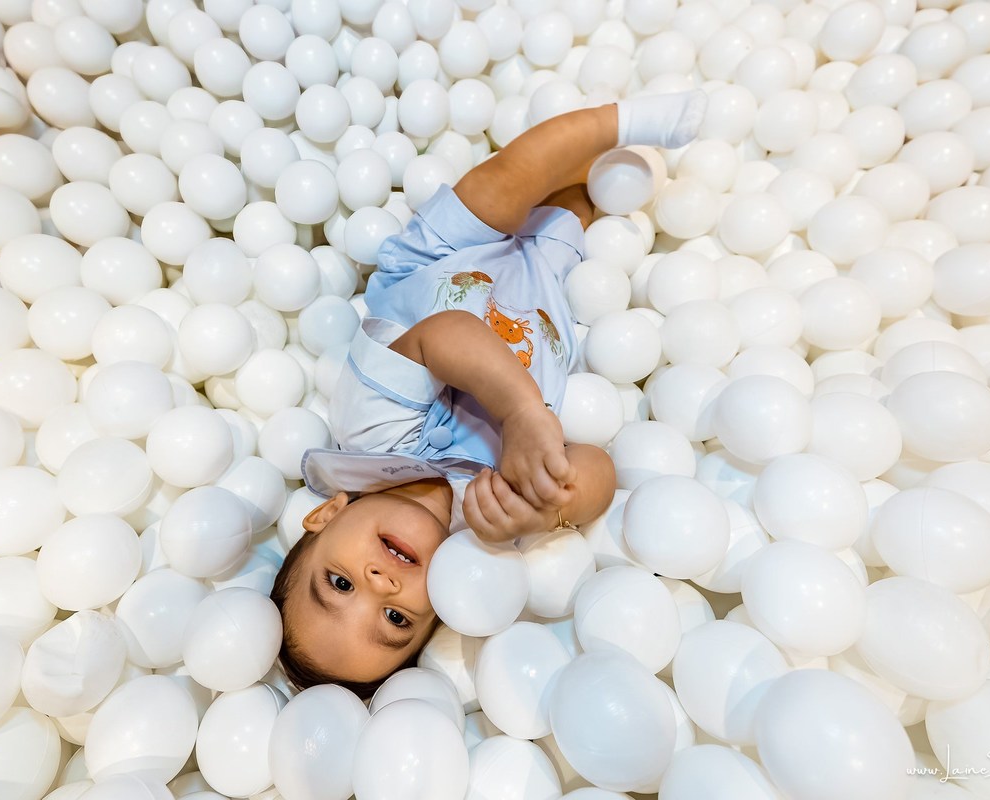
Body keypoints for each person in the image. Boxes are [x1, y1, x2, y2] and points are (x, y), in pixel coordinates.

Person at [270, 90, 709, 698]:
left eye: (340, 584)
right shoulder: (489, 527)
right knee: (589, 196)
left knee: (504, 184)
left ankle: (618, 118)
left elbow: (446, 334)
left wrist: (523, 411)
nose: (379, 584)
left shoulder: (367, 435)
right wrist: (549, 506)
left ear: (325, 515)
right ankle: (596, 161)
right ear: (438, 613)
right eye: (396, 619)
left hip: (450, 258)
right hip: (546, 296)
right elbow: (598, 470)